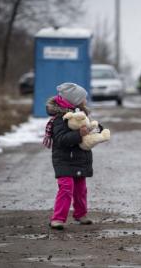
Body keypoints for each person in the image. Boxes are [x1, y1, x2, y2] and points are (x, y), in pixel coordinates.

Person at [44, 82, 99, 230]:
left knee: (81, 189)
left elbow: (88, 130)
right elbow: (61, 140)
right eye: (83, 98)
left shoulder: (81, 115)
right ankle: (58, 219)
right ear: (74, 100)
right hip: (64, 159)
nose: (86, 101)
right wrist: (78, 134)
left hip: (79, 158)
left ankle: (81, 214)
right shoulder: (60, 119)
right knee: (66, 188)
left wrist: (94, 132)